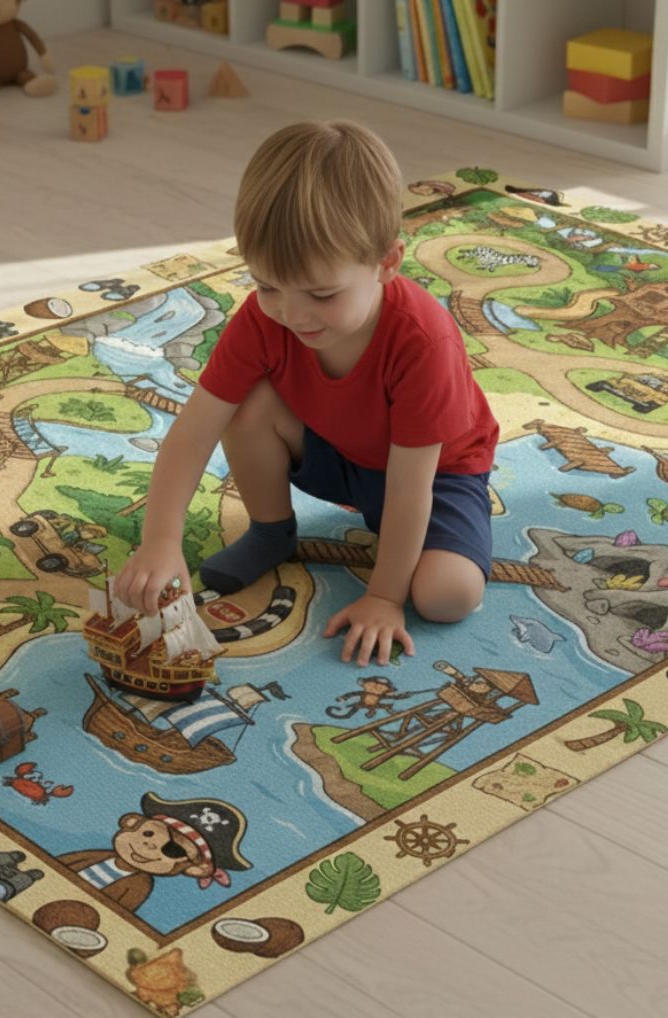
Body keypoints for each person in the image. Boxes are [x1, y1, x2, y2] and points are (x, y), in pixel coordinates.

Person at [115, 120, 499, 667]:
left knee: (447, 596)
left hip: (436, 476)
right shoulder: (264, 319)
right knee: (245, 403)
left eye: (321, 294)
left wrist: (385, 597)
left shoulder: (424, 340)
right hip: (340, 452)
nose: (293, 315)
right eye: (267, 286)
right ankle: (272, 532)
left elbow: (410, 488)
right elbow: (194, 430)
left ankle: (419, 560)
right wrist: (160, 540)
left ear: (387, 263)